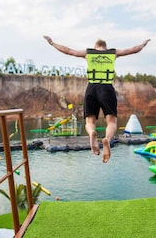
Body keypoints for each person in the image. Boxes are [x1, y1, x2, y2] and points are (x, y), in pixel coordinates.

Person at [43, 35, 150, 163]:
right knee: (111, 122)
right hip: (107, 88)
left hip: (91, 88)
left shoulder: (88, 53)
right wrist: (143, 45)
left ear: (96, 46)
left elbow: (68, 50)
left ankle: (92, 133)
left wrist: (52, 43)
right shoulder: (113, 53)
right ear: (105, 46)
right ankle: (107, 140)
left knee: (90, 121)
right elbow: (132, 49)